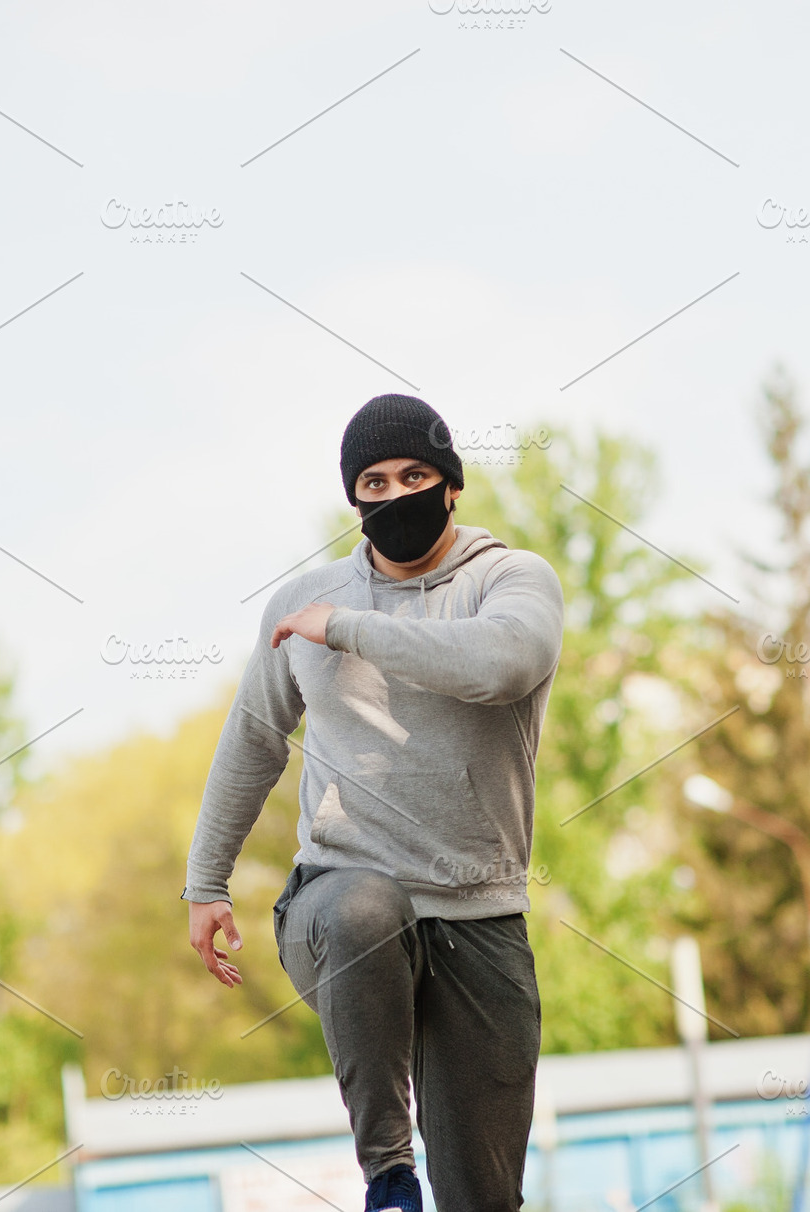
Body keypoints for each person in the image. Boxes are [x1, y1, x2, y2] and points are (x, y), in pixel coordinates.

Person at [183, 393, 566, 1212]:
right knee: (365, 905)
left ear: (452, 485)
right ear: (354, 499)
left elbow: (501, 663)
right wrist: (206, 881)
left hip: (478, 918)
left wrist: (351, 630)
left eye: (415, 476)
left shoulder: (510, 579)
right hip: (335, 906)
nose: (396, 496)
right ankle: (389, 1177)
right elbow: (253, 738)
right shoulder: (303, 602)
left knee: (485, 1199)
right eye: (375, 483)